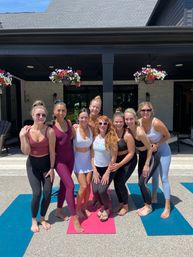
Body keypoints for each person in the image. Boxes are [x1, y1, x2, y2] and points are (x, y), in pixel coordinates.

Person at [19, 102, 56, 233]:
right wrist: (22, 137)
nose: (40, 117)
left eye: (43, 115)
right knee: (37, 193)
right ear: (32, 115)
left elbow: (52, 151)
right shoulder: (26, 131)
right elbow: (26, 151)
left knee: (47, 193)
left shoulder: (49, 131)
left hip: (46, 165)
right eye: (38, 114)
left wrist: (52, 168)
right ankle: (34, 219)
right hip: (33, 165)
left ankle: (42, 218)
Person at [52, 100, 83, 233]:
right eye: (58, 110)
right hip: (59, 162)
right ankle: (74, 217)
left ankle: (59, 210)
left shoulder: (69, 123)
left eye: (63, 110)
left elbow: (72, 137)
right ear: (54, 111)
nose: (61, 112)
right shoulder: (51, 128)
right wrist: (51, 167)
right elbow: (51, 149)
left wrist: (77, 128)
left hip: (70, 159)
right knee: (70, 185)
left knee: (64, 185)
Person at [138, 101, 171, 218]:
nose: (145, 112)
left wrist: (157, 144)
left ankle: (167, 207)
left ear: (151, 111)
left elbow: (168, 135)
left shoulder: (156, 123)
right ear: (140, 111)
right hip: (152, 152)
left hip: (163, 151)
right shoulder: (139, 123)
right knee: (154, 176)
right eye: (143, 110)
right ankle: (154, 196)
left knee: (164, 177)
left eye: (148, 110)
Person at [124, 108, 160, 216]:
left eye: (131, 119)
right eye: (126, 119)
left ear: (134, 118)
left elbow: (149, 148)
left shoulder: (139, 131)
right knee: (141, 183)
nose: (129, 121)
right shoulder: (129, 129)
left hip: (151, 157)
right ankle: (146, 203)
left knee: (142, 182)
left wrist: (146, 165)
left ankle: (149, 206)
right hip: (142, 157)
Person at [110, 111, 137, 216]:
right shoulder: (112, 132)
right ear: (113, 122)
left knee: (120, 181)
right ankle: (120, 202)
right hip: (118, 159)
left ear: (123, 122)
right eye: (116, 122)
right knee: (116, 181)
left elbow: (131, 153)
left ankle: (125, 205)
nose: (118, 124)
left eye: (120, 121)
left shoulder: (127, 135)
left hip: (129, 160)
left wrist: (119, 164)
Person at [91, 115, 118, 221]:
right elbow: (92, 155)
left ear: (108, 125)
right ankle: (102, 204)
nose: (102, 125)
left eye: (105, 123)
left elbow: (114, 157)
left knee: (102, 191)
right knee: (95, 190)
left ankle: (107, 208)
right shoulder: (95, 137)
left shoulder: (112, 138)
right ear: (97, 125)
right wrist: (94, 171)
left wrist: (107, 173)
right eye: (100, 123)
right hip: (97, 169)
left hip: (108, 169)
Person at [73, 108, 93, 218]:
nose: (84, 119)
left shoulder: (91, 129)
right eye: (81, 117)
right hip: (78, 160)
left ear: (88, 118)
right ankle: (77, 209)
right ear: (78, 118)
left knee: (88, 185)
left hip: (88, 160)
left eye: (85, 117)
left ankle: (85, 207)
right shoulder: (74, 129)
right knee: (83, 186)